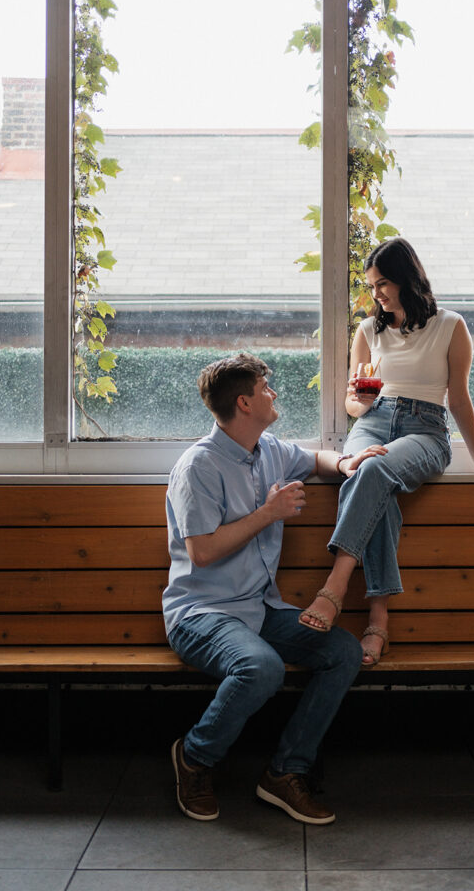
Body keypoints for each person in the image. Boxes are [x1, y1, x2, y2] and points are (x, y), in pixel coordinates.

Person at [163, 353, 382, 826]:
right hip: (202, 613)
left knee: (342, 652)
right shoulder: (198, 466)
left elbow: (316, 460)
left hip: (258, 609)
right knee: (260, 667)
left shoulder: (270, 450)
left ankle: (285, 771)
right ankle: (195, 758)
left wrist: (347, 462)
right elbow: (200, 552)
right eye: (266, 388)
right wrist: (268, 513)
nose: (273, 393)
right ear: (244, 402)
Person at [299, 238, 474, 665]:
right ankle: (379, 619)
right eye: (371, 286)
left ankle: (335, 585)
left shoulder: (450, 325)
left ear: (407, 278)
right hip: (372, 422)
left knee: (374, 470)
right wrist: (360, 401)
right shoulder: (368, 331)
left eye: (383, 283)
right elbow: (354, 404)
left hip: (425, 428)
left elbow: (458, 398)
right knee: (369, 472)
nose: (377, 294)